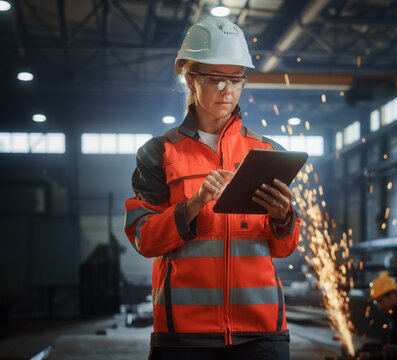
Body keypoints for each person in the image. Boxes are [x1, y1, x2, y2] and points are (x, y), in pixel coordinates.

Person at [123, 17, 300, 360]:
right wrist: (194, 204)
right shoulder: (160, 152)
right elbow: (142, 237)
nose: (226, 90)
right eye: (215, 78)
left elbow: (283, 248)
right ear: (190, 79)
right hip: (185, 336)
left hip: (262, 334)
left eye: (236, 79)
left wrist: (283, 217)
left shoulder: (266, 152)